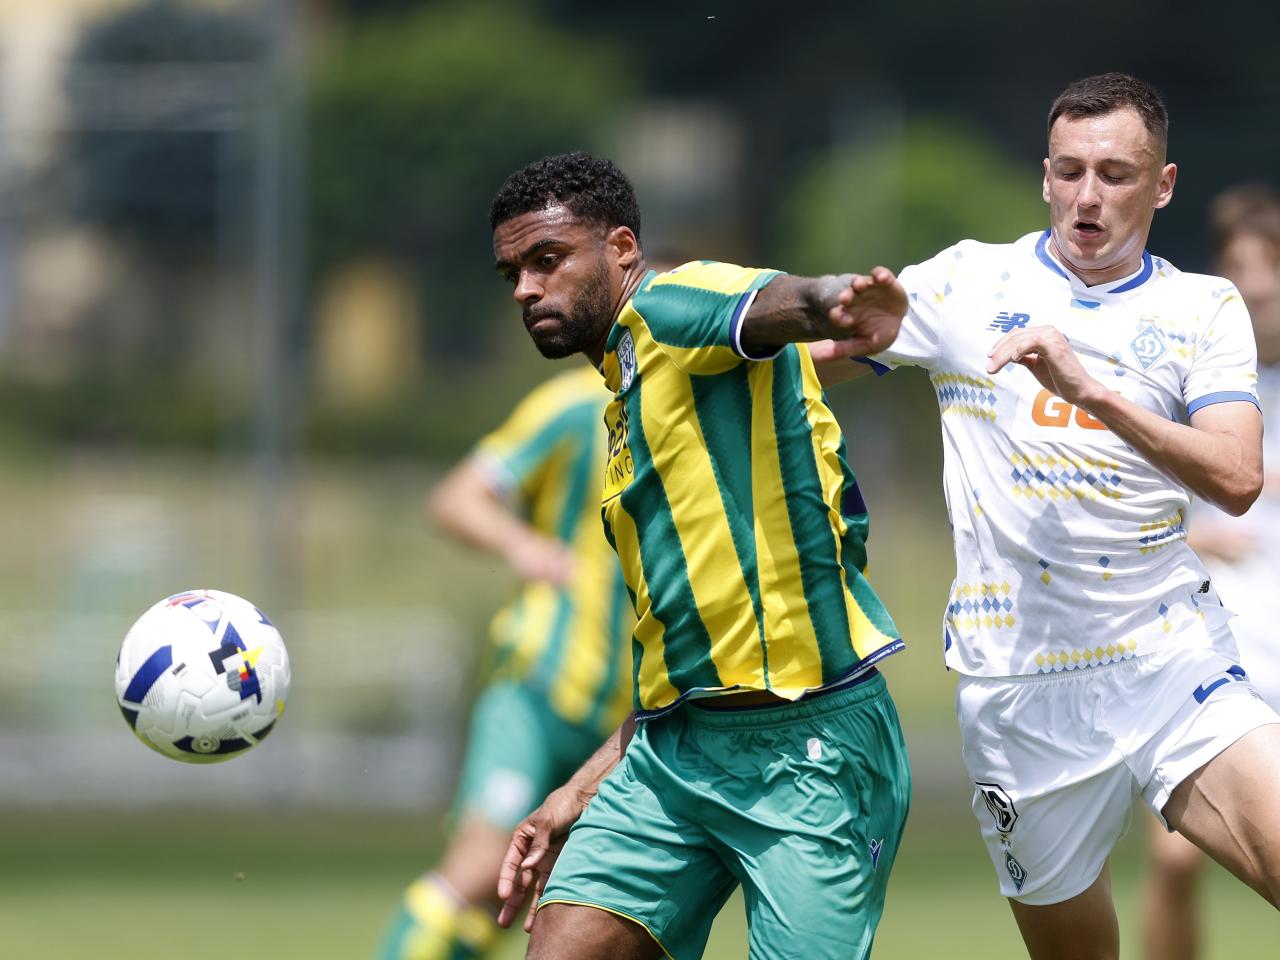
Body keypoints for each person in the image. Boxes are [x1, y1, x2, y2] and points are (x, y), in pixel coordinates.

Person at [816, 72, 1280, 959]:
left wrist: (1091, 390)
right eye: (1070, 171)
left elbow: (1235, 475)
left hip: (1167, 656)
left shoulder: (1201, 307)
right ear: (1044, 176)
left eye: (1115, 173)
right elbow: (813, 359)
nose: (1089, 196)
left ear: (1164, 184)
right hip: (1016, 687)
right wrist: (768, 324)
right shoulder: (964, 281)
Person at [489, 151, 912, 960]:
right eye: (512, 270)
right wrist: (574, 793)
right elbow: (687, 655)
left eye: (548, 260)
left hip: (809, 749)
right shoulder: (625, 398)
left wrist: (839, 302)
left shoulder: (672, 302)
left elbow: (771, 303)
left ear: (619, 249)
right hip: (675, 750)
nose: (525, 289)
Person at [375, 364, 635, 960]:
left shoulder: (697, 410)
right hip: (540, 683)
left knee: (531, 906)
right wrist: (526, 547)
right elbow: (457, 498)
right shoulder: (575, 406)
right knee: (477, 870)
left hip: (626, 718)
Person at [1138, 183, 1280, 960]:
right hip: (1219, 653)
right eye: (1236, 264)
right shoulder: (1193, 377)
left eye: (1268, 265)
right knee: (1175, 855)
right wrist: (1198, 533)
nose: (1252, 283)